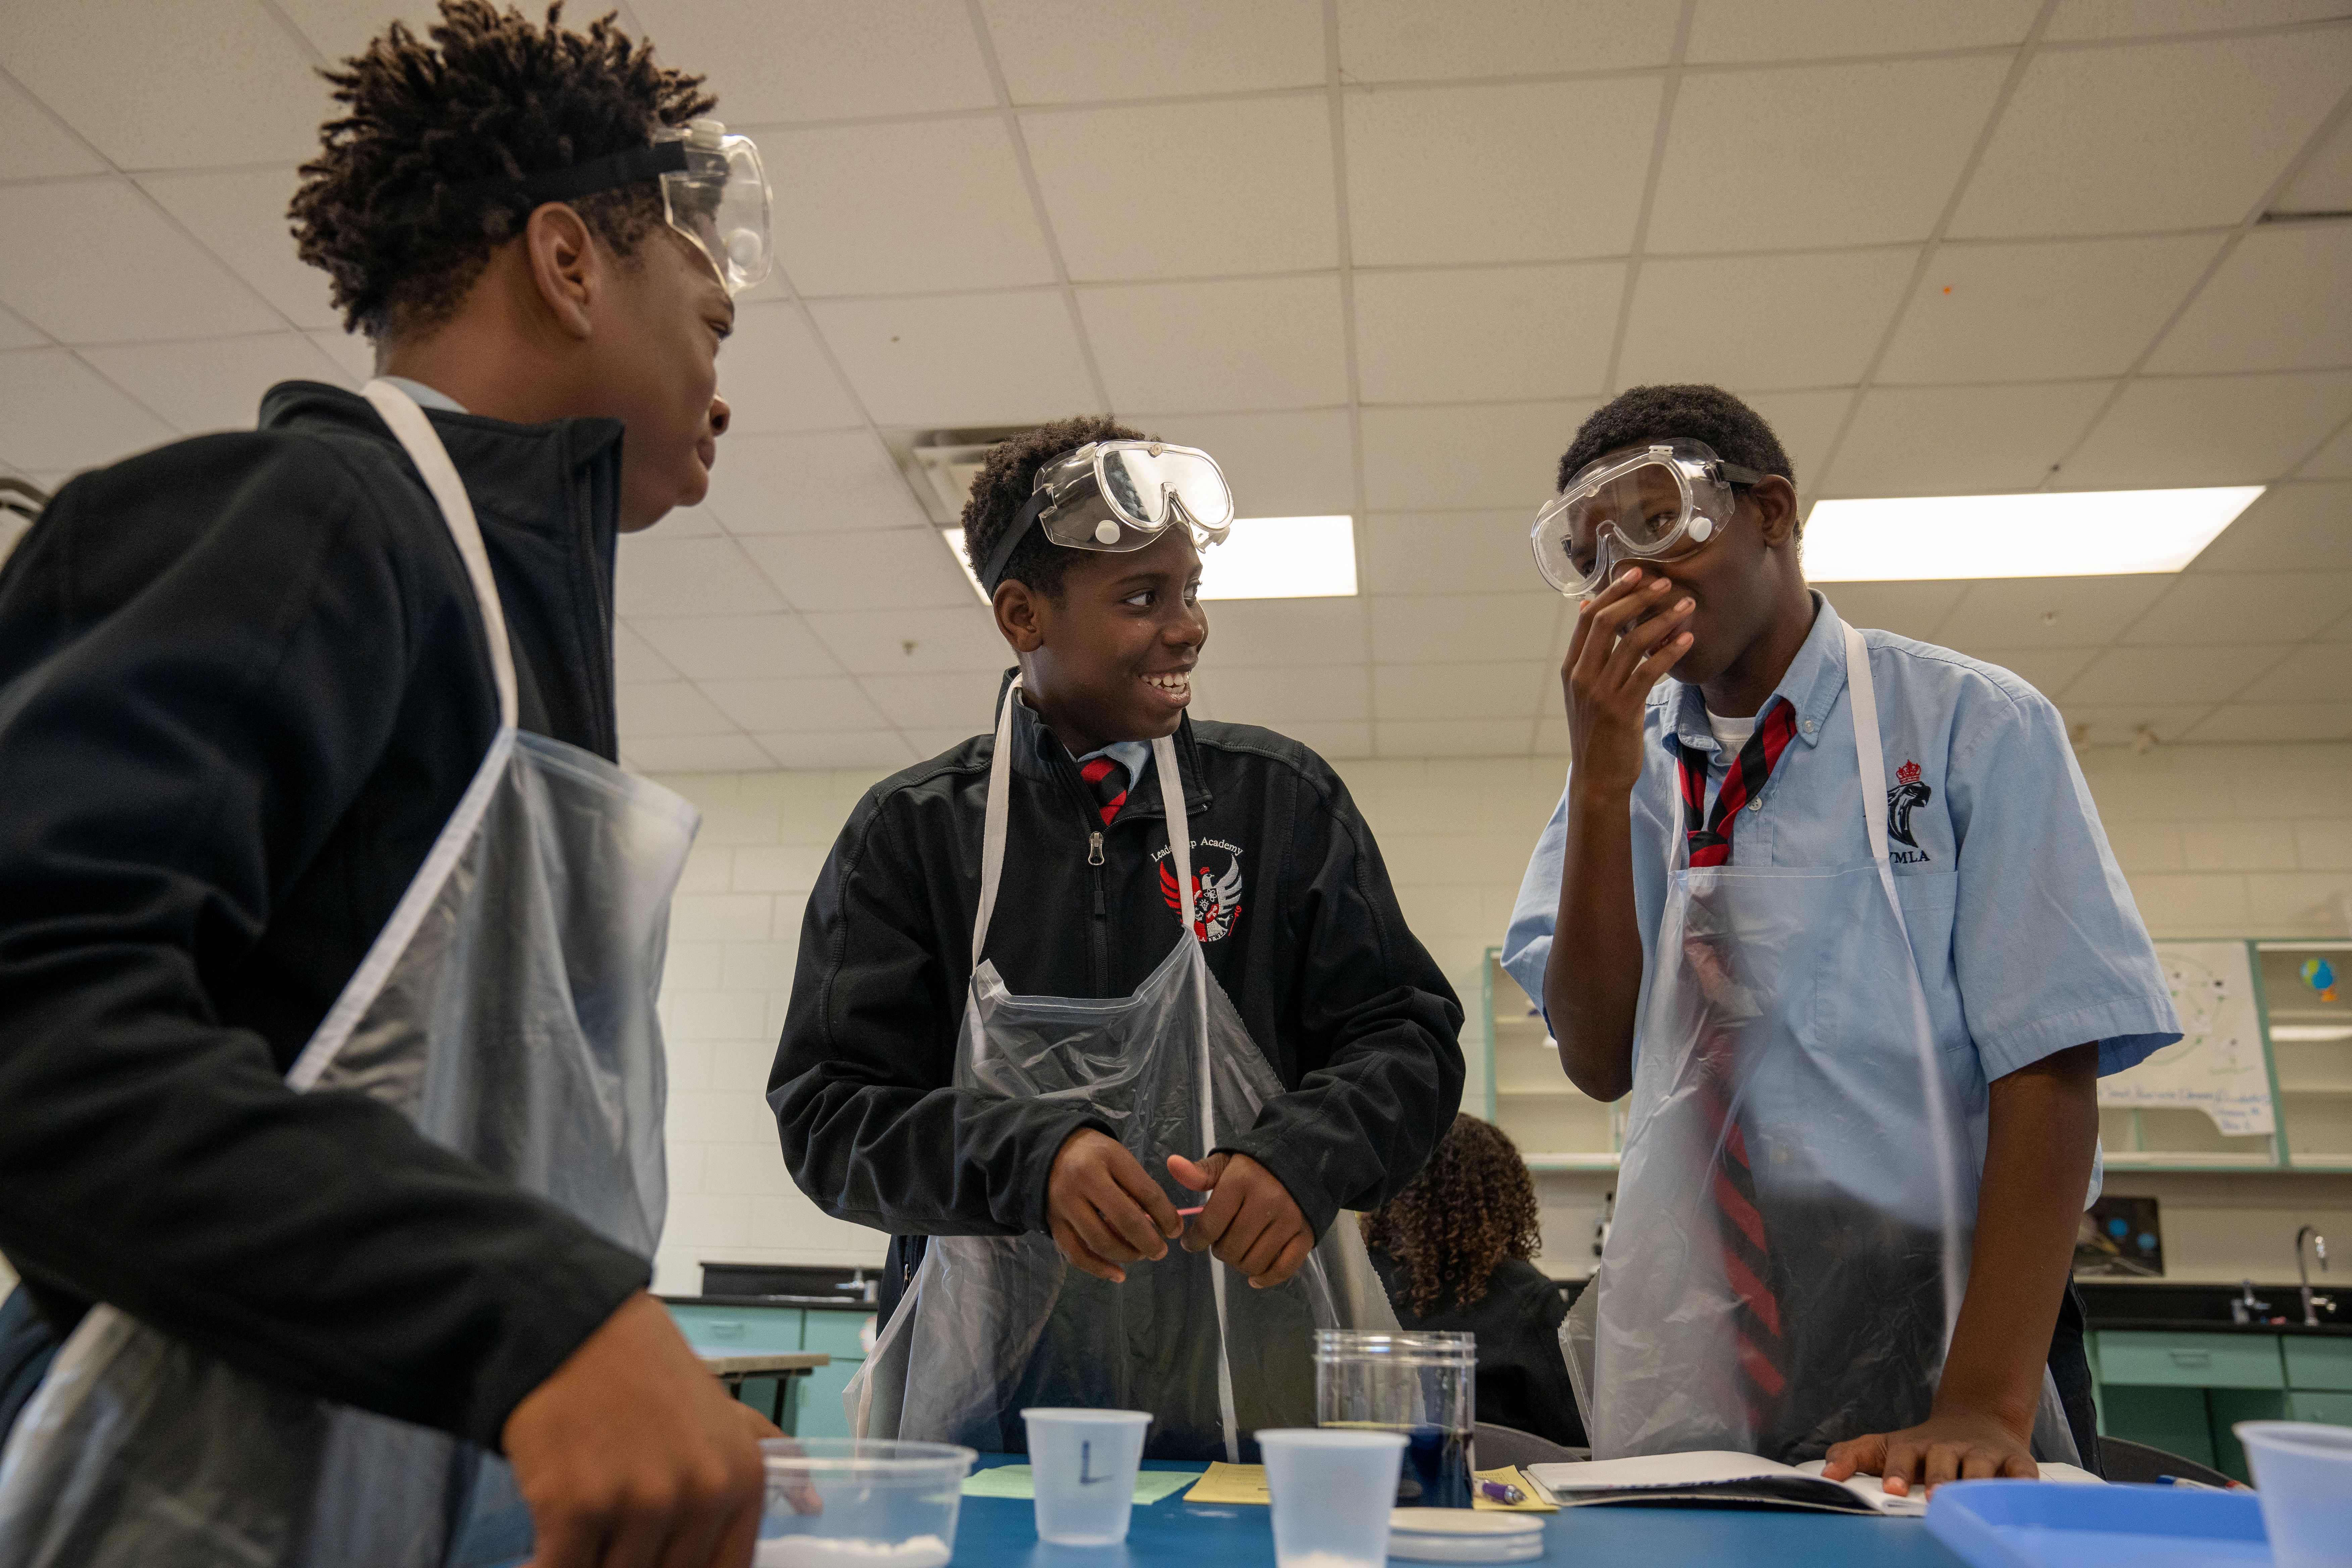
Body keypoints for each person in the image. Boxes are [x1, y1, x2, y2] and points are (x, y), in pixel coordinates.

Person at [0, 5, 779, 1563]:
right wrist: (541, 1317)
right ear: (569, 265)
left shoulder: (505, 633)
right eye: (711, 320)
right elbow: (37, 996)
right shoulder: (311, 518)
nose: (722, 381)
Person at [1502, 384, 2179, 1493]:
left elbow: (2047, 1069)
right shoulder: (1633, 772)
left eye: (1659, 523)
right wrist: (1597, 780)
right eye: (1593, 554)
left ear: (1770, 511)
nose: (1629, 574)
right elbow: (1598, 1056)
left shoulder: (1969, 725)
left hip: (1963, 1310)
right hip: (1708, 1321)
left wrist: (1982, 1402)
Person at [771, 416, 1466, 1461]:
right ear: (1021, 615)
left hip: (1260, 1405)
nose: (1186, 627)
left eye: (1189, 591)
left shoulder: (1280, 806)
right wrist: (1026, 1160)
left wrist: (1300, 1159)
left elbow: (1408, 1041)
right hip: (987, 1423)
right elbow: (826, 1114)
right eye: (1142, 598)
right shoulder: (912, 837)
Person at [1362, 1115, 1585, 1450]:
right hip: (1505, 1486)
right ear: (1504, 1197)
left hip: (1385, 1479)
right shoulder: (1527, 1296)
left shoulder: (1362, 1280)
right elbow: (1574, 1427)